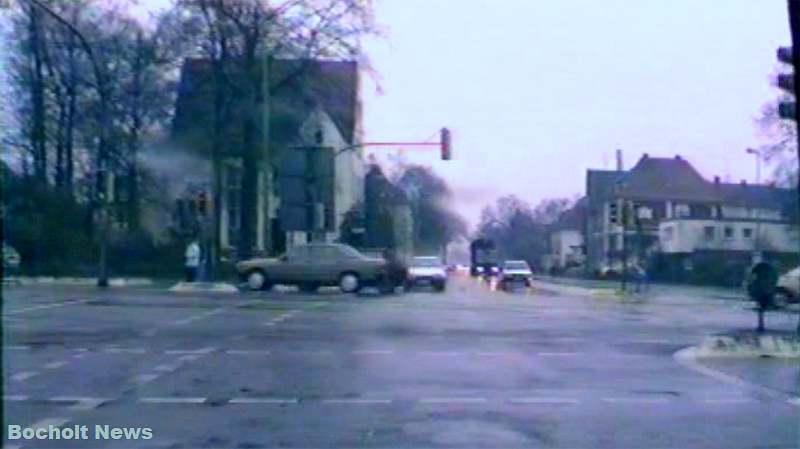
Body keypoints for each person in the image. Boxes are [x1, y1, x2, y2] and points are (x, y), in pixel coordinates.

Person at [746, 261, 778, 333]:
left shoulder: (759, 269)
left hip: (762, 292)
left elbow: (751, 278)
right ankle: (761, 325)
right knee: (761, 309)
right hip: (766, 292)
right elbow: (774, 280)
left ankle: (761, 326)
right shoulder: (770, 270)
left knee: (761, 309)